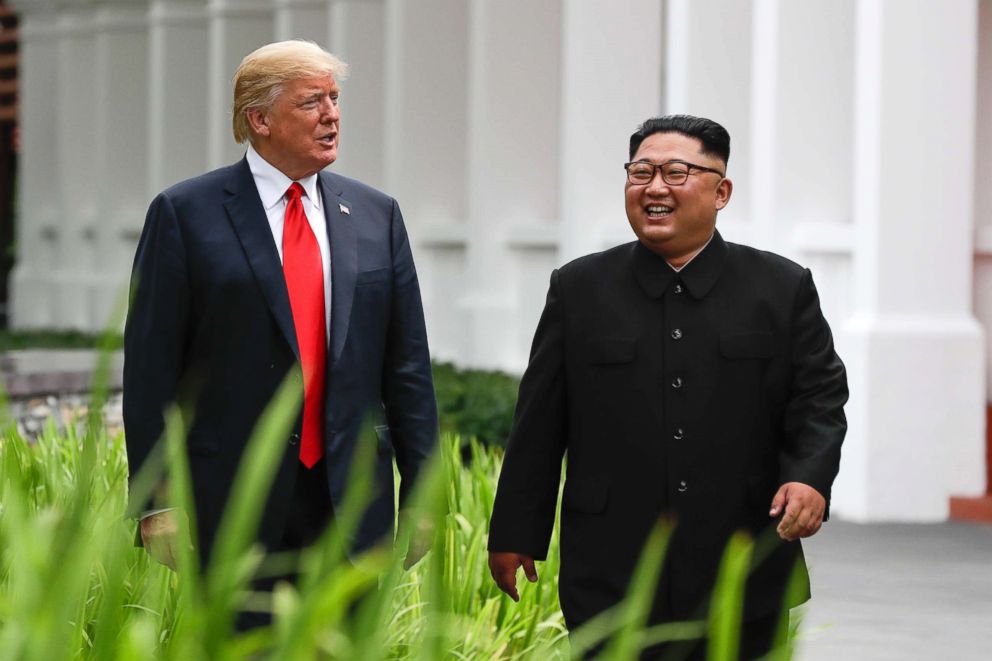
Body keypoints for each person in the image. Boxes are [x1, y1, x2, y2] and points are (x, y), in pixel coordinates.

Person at [487, 115, 847, 659]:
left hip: (743, 556)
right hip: (611, 564)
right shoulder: (579, 289)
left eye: (676, 173)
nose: (655, 188)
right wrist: (516, 531)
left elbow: (819, 397)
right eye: (641, 172)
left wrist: (810, 479)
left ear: (721, 191)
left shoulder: (781, 287)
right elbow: (540, 421)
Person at [123, 40, 437, 623]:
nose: (332, 115)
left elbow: (407, 367)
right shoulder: (184, 214)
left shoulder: (377, 215)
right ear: (259, 119)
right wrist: (155, 501)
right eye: (312, 101)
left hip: (352, 500)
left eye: (335, 99)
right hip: (233, 503)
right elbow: (150, 369)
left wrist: (422, 494)